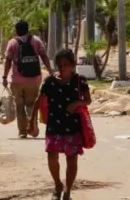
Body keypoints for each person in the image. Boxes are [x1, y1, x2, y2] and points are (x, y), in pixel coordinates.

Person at [29, 49, 91, 200]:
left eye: (66, 64)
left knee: (72, 159)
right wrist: (32, 122)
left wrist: (77, 103)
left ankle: (68, 191)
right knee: (52, 157)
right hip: (54, 126)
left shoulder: (80, 80)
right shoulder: (49, 81)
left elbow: (88, 100)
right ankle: (57, 184)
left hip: (73, 126)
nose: (63, 67)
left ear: (72, 64)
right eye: (60, 64)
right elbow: (39, 101)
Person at [3, 20, 54, 138]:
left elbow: (8, 60)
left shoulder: (12, 43)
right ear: (28, 29)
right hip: (34, 79)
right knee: (32, 105)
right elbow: (44, 56)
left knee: (19, 106)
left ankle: (22, 132)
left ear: (16, 30)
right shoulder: (36, 40)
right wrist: (50, 71)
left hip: (17, 80)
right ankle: (33, 128)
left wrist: (5, 77)